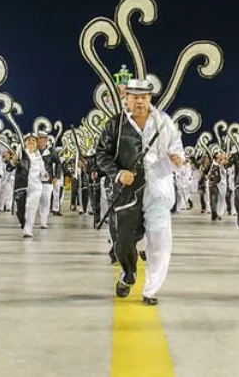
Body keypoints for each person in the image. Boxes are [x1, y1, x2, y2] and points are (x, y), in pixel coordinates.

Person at [96, 78, 184, 306]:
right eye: (134, 97)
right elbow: (101, 155)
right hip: (127, 192)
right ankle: (128, 273)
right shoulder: (115, 125)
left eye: (143, 97)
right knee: (124, 241)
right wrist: (118, 173)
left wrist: (177, 158)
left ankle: (151, 290)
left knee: (159, 240)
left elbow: (176, 146)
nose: (139, 102)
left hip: (158, 189)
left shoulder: (163, 122)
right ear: (125, 98)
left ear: (149, 98)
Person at [11, 133, 48, 238]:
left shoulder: (39, 158)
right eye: (29, 140)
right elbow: (9, 168)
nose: (31, 142)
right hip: (22, 186)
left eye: (33, 140)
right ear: (25, 143)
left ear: (36, 144)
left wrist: (45, 174)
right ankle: (24, 224)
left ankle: (28, 230)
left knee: (31, 210)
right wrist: (13, 162)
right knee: (20, 211)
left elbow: (43, 171)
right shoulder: (20, 155)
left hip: (36, 187)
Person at [36, 133, 63, 228]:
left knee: (45, 201)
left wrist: (56, 176)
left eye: (44, 139)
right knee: (33, 202)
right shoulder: (33, 150)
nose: (42, 141)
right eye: (40, 139)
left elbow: (58, 163)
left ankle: (43, 221)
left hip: (47, 181)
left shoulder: (51, 151)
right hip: (34, 180)